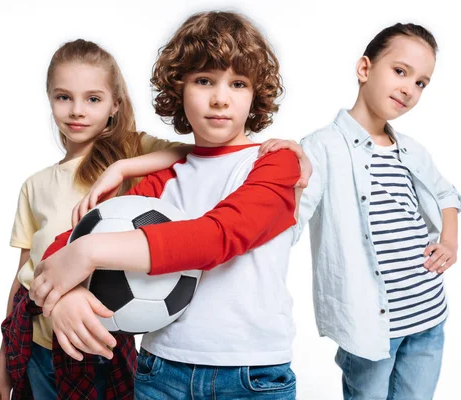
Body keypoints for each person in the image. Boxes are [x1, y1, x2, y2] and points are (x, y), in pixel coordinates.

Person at [30, 11, 302, 399]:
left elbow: (216, 237)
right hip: (161, 371)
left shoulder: (276, 163)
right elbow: (67, 242)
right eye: (204, 80)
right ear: (179, 88)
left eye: (238, 83)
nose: (220, 97)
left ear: (256, 94)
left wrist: (88, 253)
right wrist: (65, 297)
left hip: (251, 375)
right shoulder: (164, 179)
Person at [260, 23, 461, 400]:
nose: (409, 88)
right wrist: (287, 168)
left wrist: (449, 241)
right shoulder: (320, 148)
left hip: (428, 315)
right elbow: (288, 222)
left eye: (421, 82)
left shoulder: (412, 150)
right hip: (370, 327)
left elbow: (446, 194)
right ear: (365, 69)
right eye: (400, 71)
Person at [0, 39, 186, 400]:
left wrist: (122, 166)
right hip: (36, 349)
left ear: (115, 104)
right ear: (49, 99)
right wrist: (2, 371)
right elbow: (22, 280)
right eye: (64, 97)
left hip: (98, 351)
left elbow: (198, 153)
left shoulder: (135, 152)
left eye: (93, 99)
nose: (77, 110)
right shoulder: (34, 186)